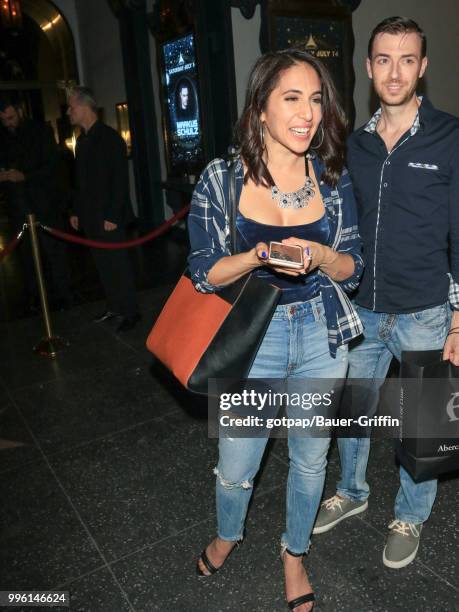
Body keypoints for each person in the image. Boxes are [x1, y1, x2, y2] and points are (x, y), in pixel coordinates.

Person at [187, 49, 363, 611]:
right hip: (251, 337)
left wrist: (321, 255)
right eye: (292, 97)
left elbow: (354, 267)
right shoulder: (221, 178)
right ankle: (228, 533)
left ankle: (295, 553)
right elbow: (203, 271)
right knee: (238, 464)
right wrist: (257, 255)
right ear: (260, 107)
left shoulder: (332, 179)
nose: (308, 112)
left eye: (316, 99)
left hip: (319, 333)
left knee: (312, 459)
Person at [313, 17, 459, 570]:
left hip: (426, 310)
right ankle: (351, 492)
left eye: (406, 60)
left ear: (422, 67)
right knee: (353, 413)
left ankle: (411, 515)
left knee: (425, 425)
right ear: (369, 67)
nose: (394, 72)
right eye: (383, 60)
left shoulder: (450, 137)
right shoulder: (355, 146)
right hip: (362, 311)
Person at [67, 86, 140, 332]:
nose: (69, 111)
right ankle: (114, 306)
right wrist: (75, 211)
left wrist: (112, 215)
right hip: (90, 217)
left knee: (118, 264)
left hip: (109, 217)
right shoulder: (82, 142)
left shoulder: (110, 138)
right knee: (102, 264)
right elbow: (80, 182)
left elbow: (120, 181)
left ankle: (131, 312)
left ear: (86, 106)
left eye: (71, 106)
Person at [0, 98, 72, 314]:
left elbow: (52, 167)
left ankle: (64, 295)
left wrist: (24, 176)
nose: (8, 123)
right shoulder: (2, 136)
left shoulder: (40, 131)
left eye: (11, 117)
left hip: (44, 203)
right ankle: (36, 297)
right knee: (27, 256)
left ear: (20, 111)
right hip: (18, 205)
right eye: (3, 120)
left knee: (54, 252)